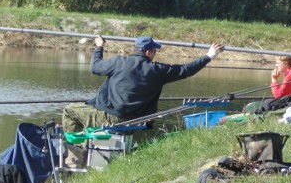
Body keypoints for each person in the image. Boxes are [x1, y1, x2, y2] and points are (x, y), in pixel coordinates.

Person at [62, 36, 224, 132]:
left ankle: (76, 149)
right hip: (138, 121)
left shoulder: (119, 61)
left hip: (111, 118)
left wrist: (99, 47)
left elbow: (95, 67)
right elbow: (186, 70)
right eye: (155, 52)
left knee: (69, 111)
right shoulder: (157, 70)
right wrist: (209, 55)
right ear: (148, 52)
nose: (155, 55)